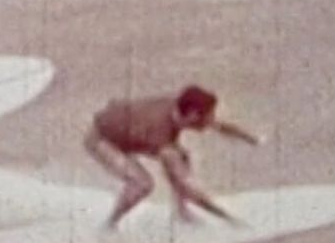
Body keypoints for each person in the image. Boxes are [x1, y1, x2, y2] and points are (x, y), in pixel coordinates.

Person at [84, 85, 261, 229]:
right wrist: (232, 222)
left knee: (182, 157)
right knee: (143, 184)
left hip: (131, 129)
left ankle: (181, 214)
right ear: (192, 115)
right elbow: (190, 190)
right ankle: (108, 225)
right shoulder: (161, 133)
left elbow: (222, 127)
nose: (211, 120)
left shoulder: (181, 107)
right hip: (102, 140)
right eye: (208, 115)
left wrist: (253, 140)